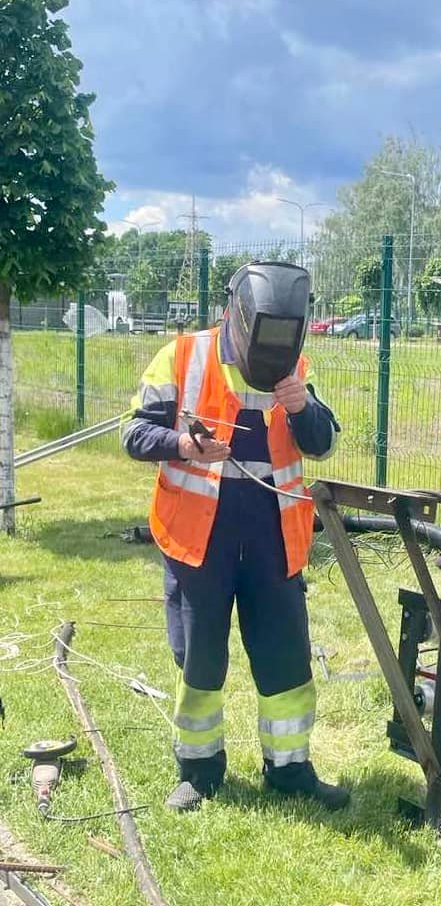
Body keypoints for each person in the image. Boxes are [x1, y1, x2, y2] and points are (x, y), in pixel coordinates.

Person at [122, 262, 349, 814]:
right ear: (237, 315)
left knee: (285, 660)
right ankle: (199, 772)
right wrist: (181, 443)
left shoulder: (294, 369)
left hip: (274, 539)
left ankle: (290, 769)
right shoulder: (182, 355)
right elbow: (133, 432)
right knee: (200, 660)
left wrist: (301, 405)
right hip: (200, 539)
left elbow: (320, 444)